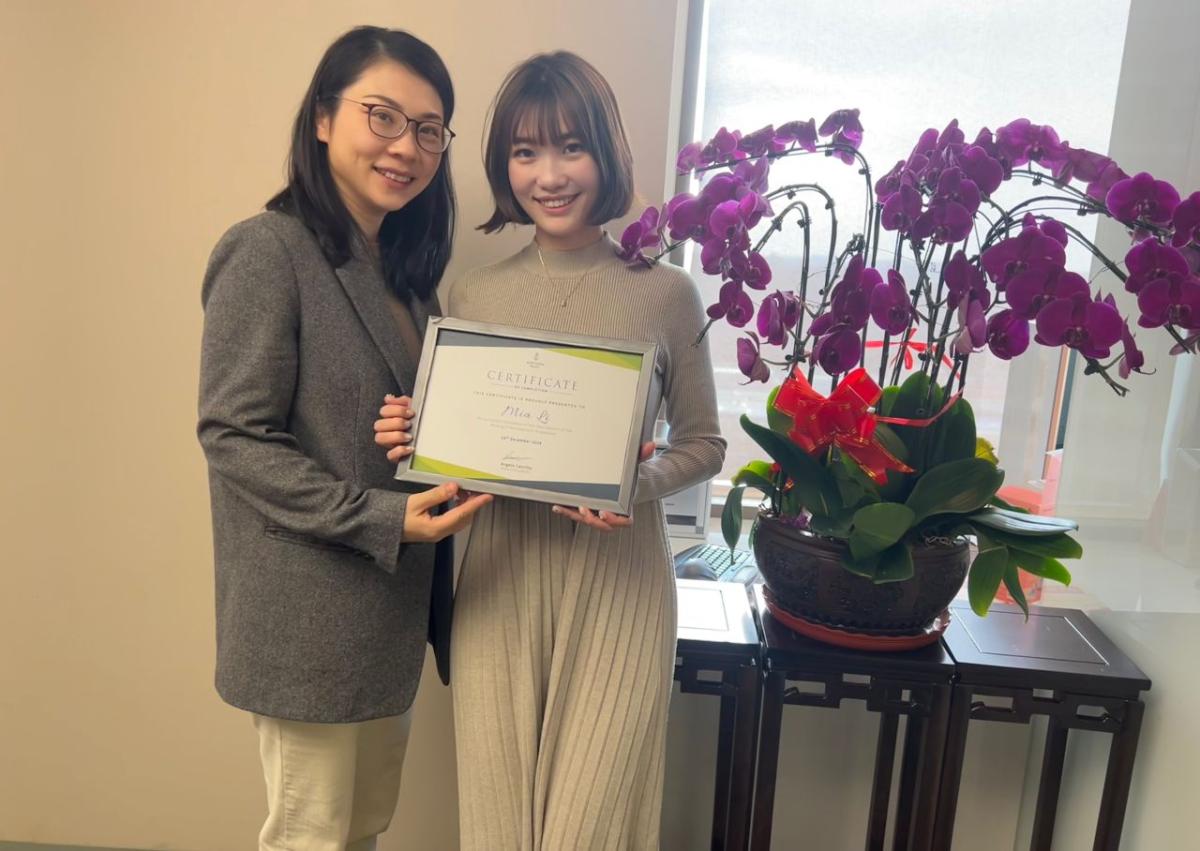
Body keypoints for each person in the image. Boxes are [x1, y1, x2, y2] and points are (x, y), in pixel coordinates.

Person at [375, 51, 725, 850]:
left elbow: (704, 442)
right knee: (498, 824)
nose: (549, 174)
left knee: (588, 830)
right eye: (526, 152)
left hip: (619, 585)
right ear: (504, 164)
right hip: (498, 578)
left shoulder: (666, 291)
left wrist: (635, 482)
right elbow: (465, 441)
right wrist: (417, 434)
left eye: (571, 146)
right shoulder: (476, 294)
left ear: (607, 153)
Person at [196, 26, 490, 851]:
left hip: (387, 616)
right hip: (309, 616)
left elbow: (399, 430)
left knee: (360, 829)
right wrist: (385, 518)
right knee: (310, 835)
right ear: (324, 117)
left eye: (429, 129)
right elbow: (233, 436)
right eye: (383, 117)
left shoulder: (403, 275)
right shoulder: (267, 251)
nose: (407, 147)